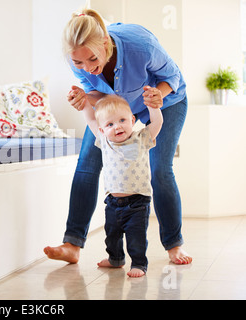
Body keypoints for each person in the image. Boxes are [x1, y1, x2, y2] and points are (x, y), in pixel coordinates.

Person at [44, 7, 192, 265]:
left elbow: (173, 77)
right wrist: (83, 97)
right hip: (116, 107)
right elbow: (95, 92)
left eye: (91, 59)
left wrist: (158, 96)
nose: (87, 68)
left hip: (164, 100)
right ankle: (72, 244)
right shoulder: (77, 59)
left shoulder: (140, 45)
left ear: (104, 42)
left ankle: (174, 245)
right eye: (78, 63)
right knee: (87, 163)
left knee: (160, 169)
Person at [82, 94, 162, 277]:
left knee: (136, 238)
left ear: (132, 120)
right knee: (112, 235)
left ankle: (139, 264)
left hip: (137, 202)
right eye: (110, 124)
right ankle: (115, 259)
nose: (117, 126)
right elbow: (90, 119)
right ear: (102, 130)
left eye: (122, 120)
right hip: (112, 202)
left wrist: (153, 107)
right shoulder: (104, 141)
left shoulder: (141, 138)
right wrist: (85, 104)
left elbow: (157, 123)